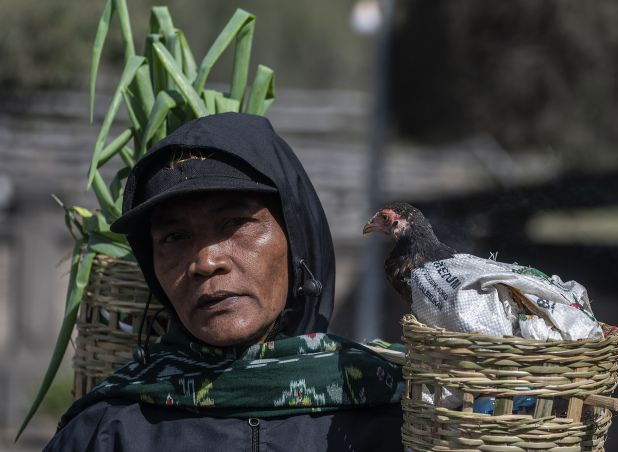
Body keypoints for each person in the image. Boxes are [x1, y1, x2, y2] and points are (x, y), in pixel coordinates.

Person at [44, 113, 405, 451]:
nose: (205, 262)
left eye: (235, 222)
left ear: (297, 238)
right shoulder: (106, 430)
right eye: (174, 236)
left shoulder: (396, 416)